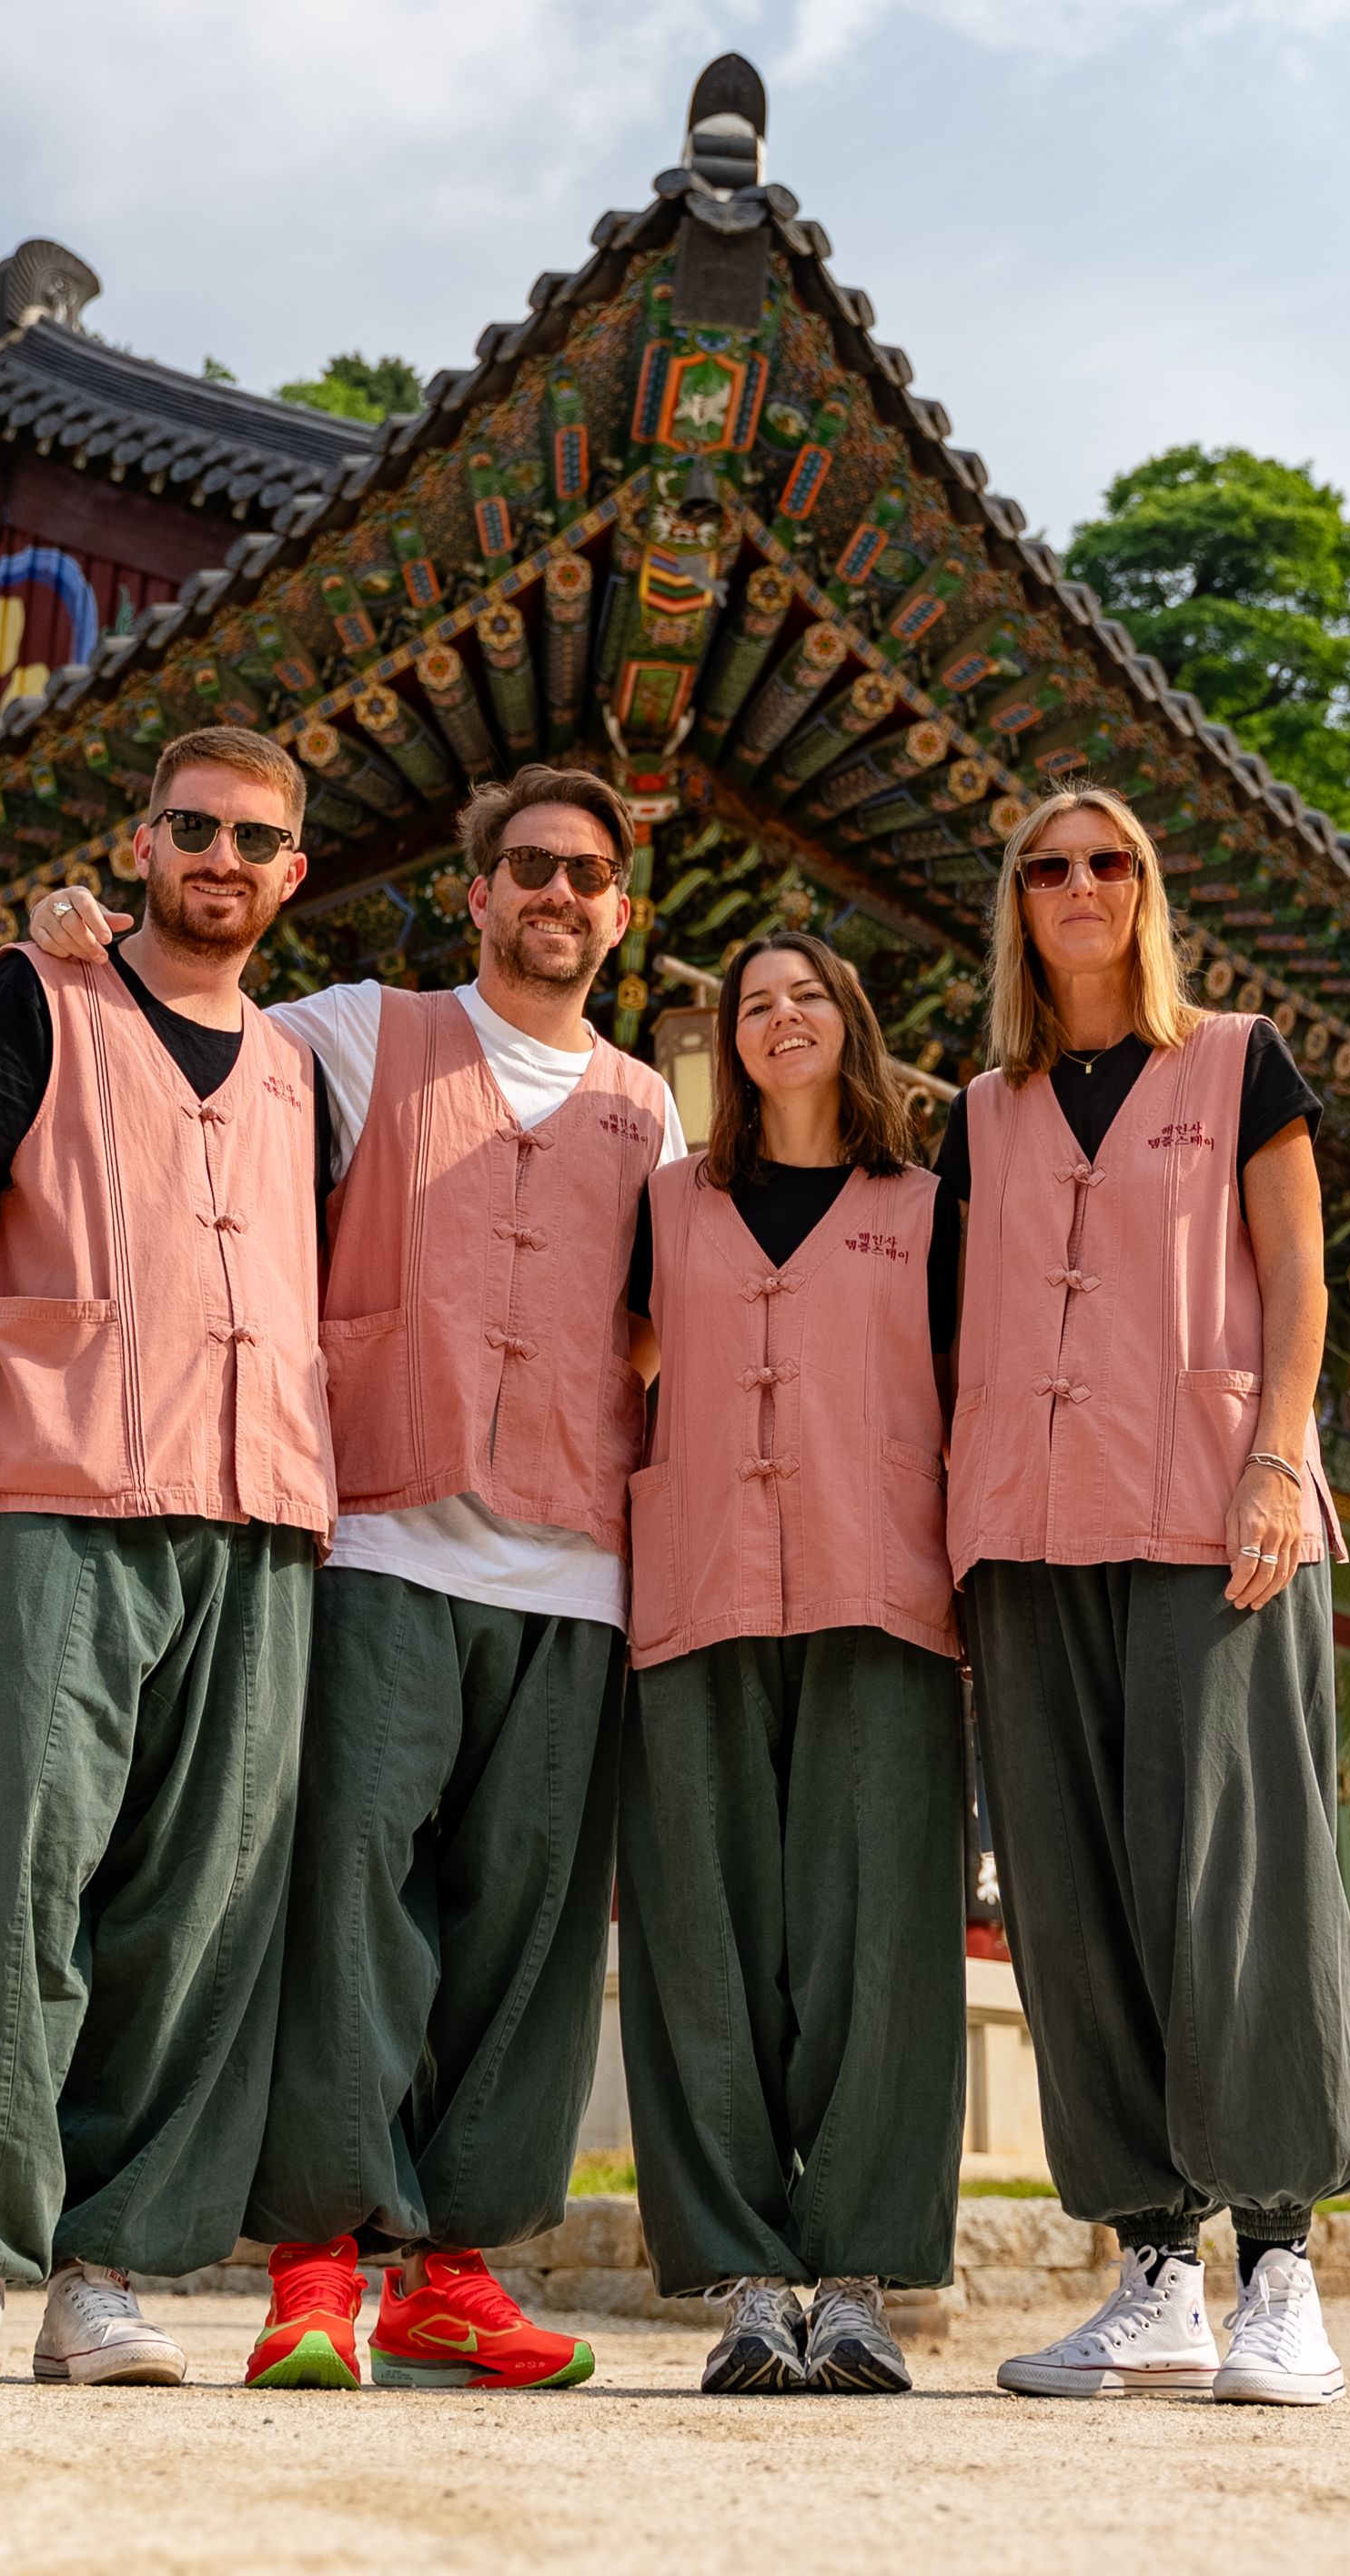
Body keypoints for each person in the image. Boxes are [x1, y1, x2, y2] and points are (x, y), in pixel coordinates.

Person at [21, 763, 688, 2392]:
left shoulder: (652, 1106)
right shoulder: (354, 1032)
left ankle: (456, 2268)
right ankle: (316, 2261)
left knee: (524, 1930)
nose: (558, 895)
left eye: (588, 876)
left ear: (621, 910)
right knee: (352, 1906)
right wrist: (83, 941)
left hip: (578, 1559)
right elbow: (187, 1015)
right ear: (476, 890)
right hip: (385, 1526)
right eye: (528, 866)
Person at [0, 726, 333, 2392]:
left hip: (257, 1508)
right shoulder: (40, 994)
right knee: (2, 1874)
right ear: (140, 846)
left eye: (253, 838)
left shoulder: (296, 1066)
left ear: (293, 873)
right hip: (52, 1484)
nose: (221, 857)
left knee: (194, 1902)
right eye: (192, 828)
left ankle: (102, 2264)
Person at [941, 784, 1350, 2407]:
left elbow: (1301, 1277)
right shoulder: (985, 1108)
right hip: (1029, 1530)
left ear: (1148, 886)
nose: (1080, 886)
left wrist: (1279, 1458)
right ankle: (1153, 2270)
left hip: (1213, 1511)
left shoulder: (1238, 1057)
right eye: (1048, 867)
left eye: (1110, 860)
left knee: (1236, 1880)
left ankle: (1283, 2270)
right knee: (1074, 1895)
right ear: (1018, 903)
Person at [614, 931, 969, 2396]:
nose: (780, 1019)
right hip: (693, 1587)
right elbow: (619, 1370)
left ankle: (862, 2278)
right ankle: (752, 2281)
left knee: (878, 1937)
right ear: (727, 1046)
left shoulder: (928, 1207)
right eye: (754, 1003)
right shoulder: (668, 1203)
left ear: (854, 1021)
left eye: (810, 994)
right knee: (702, 1937)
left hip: (878, 1587)